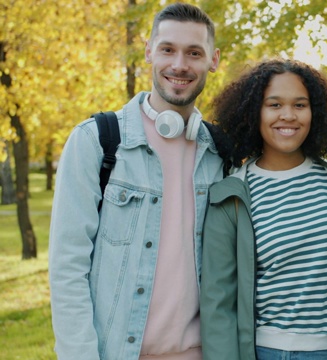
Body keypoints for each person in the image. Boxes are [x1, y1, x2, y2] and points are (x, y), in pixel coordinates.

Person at [48, 3, 222, 359]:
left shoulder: (222, 154)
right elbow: (68, 269)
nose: (179, 65)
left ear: (213, 60)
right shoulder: (97, 141)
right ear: (148, 51)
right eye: (167, 50)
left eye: (194, 53)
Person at [199, 59, 327, 360]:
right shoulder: (231, 196)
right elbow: (218, 304)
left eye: (300, 105)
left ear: (315, 112)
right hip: (268, 352)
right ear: (253, 113)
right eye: (274, 105)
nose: (288, 116)